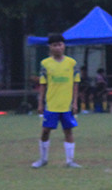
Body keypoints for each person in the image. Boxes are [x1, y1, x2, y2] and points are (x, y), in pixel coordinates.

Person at [32, 33, 81, 168]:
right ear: (50, 47)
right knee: (45, 131)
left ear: (64, 46)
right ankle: (43, 159)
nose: (58, 48)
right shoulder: (45, 63)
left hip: (66, 105)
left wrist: (75, 102)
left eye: (60, 44)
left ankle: (70, 161)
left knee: (68, 131)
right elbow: (43, 84)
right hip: (51, 104)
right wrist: (40, 103)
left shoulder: (71, 63)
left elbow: (75, 84)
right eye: (54, 45)